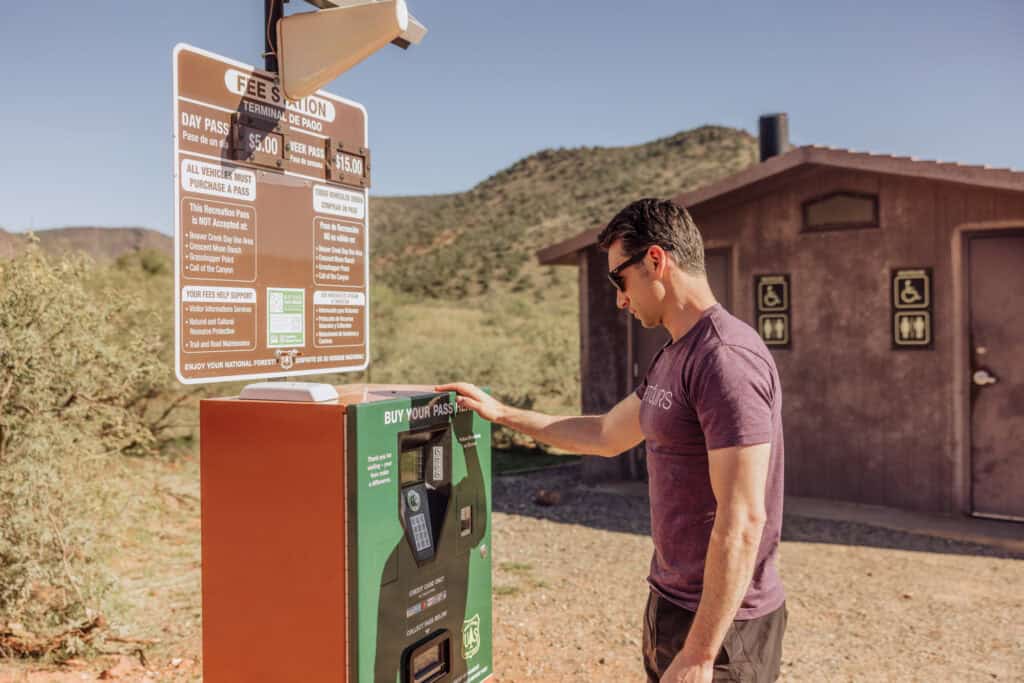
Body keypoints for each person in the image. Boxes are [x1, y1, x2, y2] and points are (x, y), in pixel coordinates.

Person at [437, 198, 787, 683]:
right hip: (673, 603)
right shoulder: (675, 356)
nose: (620, 299)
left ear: (656, 260)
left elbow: (745, 517)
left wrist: (702, 653)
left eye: (618, 279)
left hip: (726, 627)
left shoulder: (725, 360)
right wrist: (501, 414)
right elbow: (604, 434)